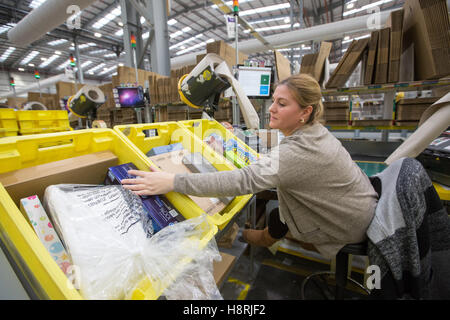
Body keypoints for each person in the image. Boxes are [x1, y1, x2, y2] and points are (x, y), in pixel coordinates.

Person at [121, 73, 378, 260]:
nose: (272, 109)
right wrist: (236, 135)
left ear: (305, 111)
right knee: (277, 212)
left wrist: (172, 181)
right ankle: (252, 236)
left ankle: (249, 237)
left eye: (282, 104)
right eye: (274, 101)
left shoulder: (298, 152)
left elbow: (241, 181)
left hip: (346, 224)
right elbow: (272, 137)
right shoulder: (313, 132)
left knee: (277, 215)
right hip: (360, 206)